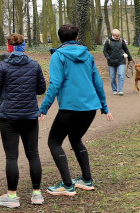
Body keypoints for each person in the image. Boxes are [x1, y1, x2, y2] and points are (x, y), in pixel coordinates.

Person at [39, 24, 113, 196]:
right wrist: (104, 106)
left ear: (60, 38)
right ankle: (86, 180)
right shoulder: (87, 55)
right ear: (77, 38)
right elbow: (98, 82)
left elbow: (55, 83)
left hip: (70, 107)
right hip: (90, 107)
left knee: (54, 142)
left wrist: (44, 108)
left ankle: (67, 185)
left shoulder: (58, 56)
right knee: (75, 138)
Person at [0, 33, 46, 207]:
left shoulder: (2, 66)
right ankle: (37, 194)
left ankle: (12, 196)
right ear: (24, 46)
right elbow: (41, 88)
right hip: (30, 116)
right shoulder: (34, 65)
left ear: (8, 47)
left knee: (11, 157)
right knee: (33, 154)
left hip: (9, 117)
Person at [102, 29, 134, 96]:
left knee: (121, 75)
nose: (118, 37)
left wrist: (130, 58)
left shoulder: (122, 41)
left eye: (119, 35)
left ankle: (120, 90)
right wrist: (108, 58)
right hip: (111, 61)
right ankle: (114, 90)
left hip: (121, 61)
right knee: (112, 77)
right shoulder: (108, 41)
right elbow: (105, 51)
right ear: (113, 35)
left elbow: (126, 50)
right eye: (116, 36)